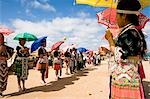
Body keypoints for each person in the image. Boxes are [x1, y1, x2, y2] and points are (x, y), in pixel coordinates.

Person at [105, 0, 147, 98]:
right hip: (129, 78)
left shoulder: (130, 33)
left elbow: (120, 56)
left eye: (117, 15)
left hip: (125, 81)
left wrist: (110, 40)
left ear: (124, 16)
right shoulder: (133, 32)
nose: (116, 19)